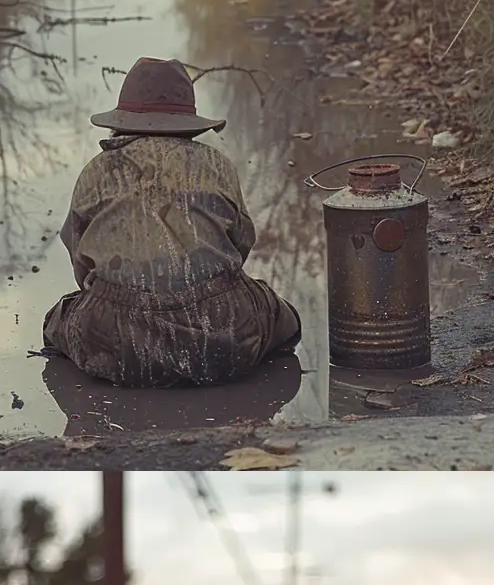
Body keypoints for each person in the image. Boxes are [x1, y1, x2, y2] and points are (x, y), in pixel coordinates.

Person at [41, 56, 300, 389]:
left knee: (56, 320)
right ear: (188, 122)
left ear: (121, 121)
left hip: (117, 344)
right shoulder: (216, 164)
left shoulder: (98, 169)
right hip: (219, 339)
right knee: (285, 318)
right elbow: (240, 245)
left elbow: (82, 265)